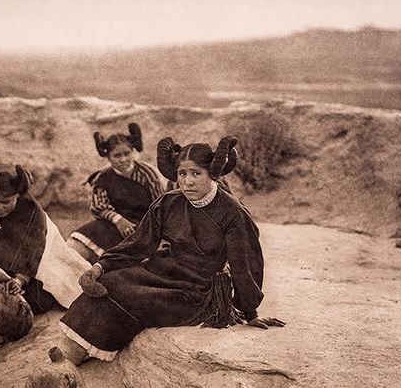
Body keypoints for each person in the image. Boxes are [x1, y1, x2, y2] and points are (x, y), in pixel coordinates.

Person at [58, 136, 285, 364]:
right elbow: (138, 244)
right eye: (182, 174)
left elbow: (245, 263)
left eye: (196, 174)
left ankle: (73, 356)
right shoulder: (168, 203)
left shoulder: (232, 212)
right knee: (111, 281)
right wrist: (100, 266)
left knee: (132, 295)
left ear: (212, 174)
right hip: (166, 270)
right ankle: (72, 348)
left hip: (200, 290)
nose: (187, 182)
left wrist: (250, 311)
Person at [0, 161, 90, 314]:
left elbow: (35, 253)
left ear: (17, 196)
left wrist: (19, 280)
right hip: (1, 272)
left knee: (40, 302)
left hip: (35, 271)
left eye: (6, 202)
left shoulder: (32, 215)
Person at [67, 123, 165, 264]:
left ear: (132, 152)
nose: (123, 159)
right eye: (117, 156)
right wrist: (118, 220)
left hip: (144, 225)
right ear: (108, 157)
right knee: (79, 243)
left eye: (126, 153)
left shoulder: (148, 173)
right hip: (113, 224)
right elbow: (98, 206)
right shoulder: (103, 177)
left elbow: (160, 204)